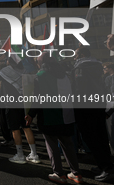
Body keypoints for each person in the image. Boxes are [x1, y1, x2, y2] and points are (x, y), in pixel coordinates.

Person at [26, 53, 83, 184]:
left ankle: (59, 174)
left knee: (52, 146)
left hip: (49, 116)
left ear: (41, 63)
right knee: (68, 145)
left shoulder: (40, 76)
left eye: (37, 61)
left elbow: (37, 98)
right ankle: (76, 174)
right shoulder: (66, 75)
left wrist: (31, 114)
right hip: (67, 116)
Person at [72, 47, 114, 181]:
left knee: (92, 139)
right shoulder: (98, 66)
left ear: (82, 55)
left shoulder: (80, 68)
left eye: (76, 55)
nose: (74, 58)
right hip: (98, 107)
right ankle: (104, 164)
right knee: (101, 137)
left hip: (85, 109)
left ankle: (107, 169)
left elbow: (78, 89)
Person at [0, 58, 39, 164]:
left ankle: (20, 155)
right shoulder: (25, 70)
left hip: (11, 104)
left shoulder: (7, 71)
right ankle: (34, 154)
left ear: (9, 62)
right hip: (24, 102)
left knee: (15, 129)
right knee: (26, 127)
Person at [103, 62, 114, 155]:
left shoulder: (110, 78)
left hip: (112, 106)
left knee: (112, 130)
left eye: (104, 68)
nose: (103, 70)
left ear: (110, 68)